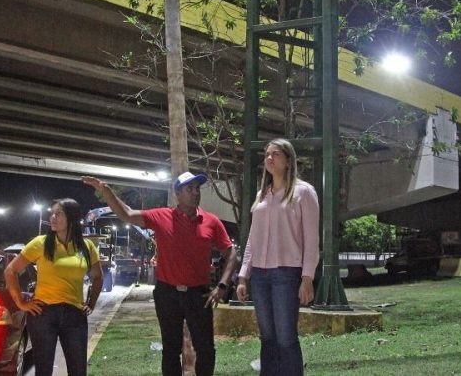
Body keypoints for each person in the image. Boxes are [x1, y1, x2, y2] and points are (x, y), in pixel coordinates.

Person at [82, 172, 237, 376]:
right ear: (177, 195)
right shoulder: (161, 216)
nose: (195, 193)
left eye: (197, 188)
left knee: (206, 349)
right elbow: (127, 214)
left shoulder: (211, 221)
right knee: (171, 351)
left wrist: (223, 285)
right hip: (168, 294)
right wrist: (105, 190)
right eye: (189, 189)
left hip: (199, 295)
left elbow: (231, 252)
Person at [235, 139, 320, 376]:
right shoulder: (262, 195)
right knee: (267, 338)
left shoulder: (303, 192)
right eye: (267, 154)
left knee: (285, 338)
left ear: (289, 160)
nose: (269, 158)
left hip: (287, 273)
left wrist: (307, 277)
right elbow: (253, 238)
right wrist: (243, 275)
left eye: (276, 154)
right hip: (260, 276)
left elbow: (312, 239)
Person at [4, 198, 103, 376]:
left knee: (78, 369)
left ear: (71, 218)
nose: (53, 218)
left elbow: (98, 277)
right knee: (43, 370)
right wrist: (20, 302)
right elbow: (11, 271)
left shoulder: (86, 247)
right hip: (44, 314)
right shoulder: (40, 243)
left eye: (59, 214)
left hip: (74, 314)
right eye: (52, 213)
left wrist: (91, 303)